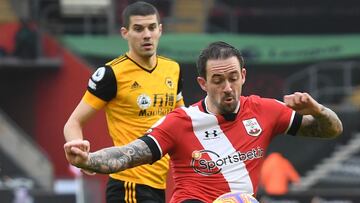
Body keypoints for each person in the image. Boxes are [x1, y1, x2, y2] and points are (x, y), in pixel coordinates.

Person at [64, 41, 343, 203]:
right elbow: (128, 155)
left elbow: (332, 130)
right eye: (218, 81)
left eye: (233, 78)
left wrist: (317, 110)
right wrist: (87, 160)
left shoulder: (265, 110)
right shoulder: (180, 122)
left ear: (243, 75)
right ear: (202, 83)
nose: (228, 87)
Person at [63, 1, 184, 203]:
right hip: (129, 185)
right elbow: (73, 123)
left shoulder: (173, 69)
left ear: (160, 30)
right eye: (138, 28)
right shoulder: (112, 74)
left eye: (151, 27)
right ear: (125, 33)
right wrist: (79, 151)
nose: (147, 34)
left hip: (158, 185)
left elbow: (182, 119)